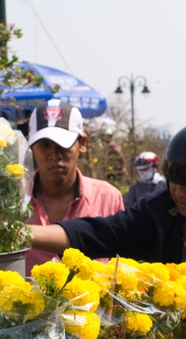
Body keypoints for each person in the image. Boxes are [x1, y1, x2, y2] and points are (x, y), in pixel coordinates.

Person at [28, 122, 186, 263]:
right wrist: (23, 234)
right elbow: (97, 232)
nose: (178, 193)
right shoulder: (158, 212)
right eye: (173, 181)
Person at [25, 99, 124, 274]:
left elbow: (122, 267)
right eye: (44, 145)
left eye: (63, 144)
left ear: (82, 144)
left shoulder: (108, 198)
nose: (54, 155)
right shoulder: (12, 200)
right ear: (30, 146)